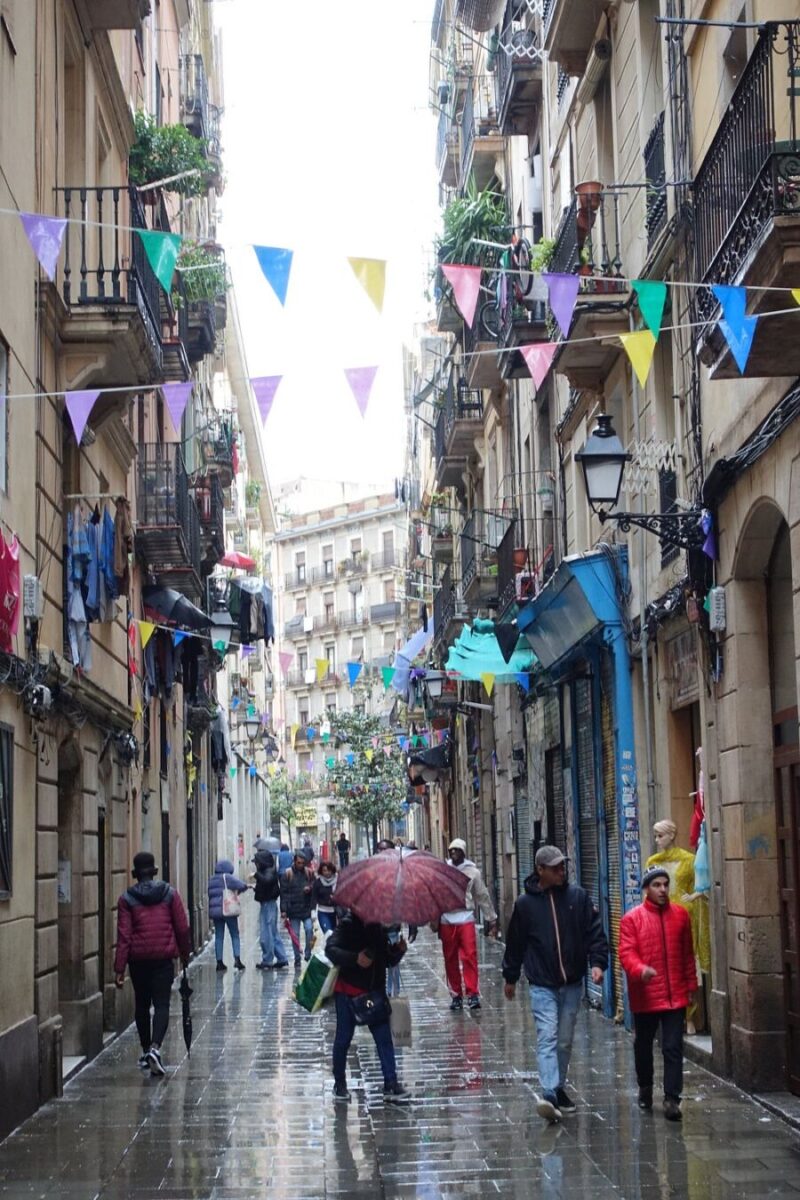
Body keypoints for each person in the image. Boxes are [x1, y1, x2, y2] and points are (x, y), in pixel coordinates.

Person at [502, 845, 609, 1122]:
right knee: (547, 1037)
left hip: (572, 983)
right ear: (541, 870)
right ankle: (549, 1093)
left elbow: (595, 932)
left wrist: (597, 963)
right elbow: (515, 942)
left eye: (563, 866)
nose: (562, 871)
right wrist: (510, 977)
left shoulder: (578, 898)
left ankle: (558, 1087)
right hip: (541, 984)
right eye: (556, 867)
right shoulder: (525, 905)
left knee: (563, 1040)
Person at [619, 866, 697, 1122]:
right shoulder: (632, 919)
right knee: (643, 1045)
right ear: (646, 889)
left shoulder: (681, 916)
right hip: (647, 996)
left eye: (665, 884)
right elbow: (626, 954)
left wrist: (691, 986)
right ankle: (645, 1086)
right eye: (657, 885)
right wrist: (640, 970)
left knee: (673, 1047)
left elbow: (687, 954)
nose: (663, 889)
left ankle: (672, 1098)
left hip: (675, 995)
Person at [114, 851, 191, 1077]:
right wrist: (184, 953)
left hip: (138, 961)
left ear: (136, 874)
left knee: (141, 1005)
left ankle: (147, 1050)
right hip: (163, 960)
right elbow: (182, 927)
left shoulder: (126, 900)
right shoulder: (170, 894)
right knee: (162, 1005)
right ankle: (155, 1049)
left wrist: (119, 967)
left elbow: (124, 936)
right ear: (154, 871)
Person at [325, 911, 410, 1104]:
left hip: (374, 994)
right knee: (343, 1039)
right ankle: (339, 1084)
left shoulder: (377, 927)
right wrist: (355, 958)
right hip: (348, 993)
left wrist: (398, 950)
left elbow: (385, 960)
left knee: (384, 1039)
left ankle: (391, 1084)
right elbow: (331, 949)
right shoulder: (347, 925)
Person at [439, 837, 498, 1012]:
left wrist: (491, 917)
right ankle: (456, 994)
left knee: (469, 956)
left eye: (457, 850)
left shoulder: (473, 872)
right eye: (451, 850)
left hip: (465, 918)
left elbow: (482, 894)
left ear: (463, 852)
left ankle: (472, 993)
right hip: (447, 919)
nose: (453, 853)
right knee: (450, 959)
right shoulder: (444, 869)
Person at [252, 842, 289, 970]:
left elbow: (267, 881)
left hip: (268, 904)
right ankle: (282, 957)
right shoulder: (268, 870)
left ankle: (267, 959)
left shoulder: (268, 871)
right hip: (268, 903)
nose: (255, 865)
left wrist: (256, 875)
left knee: (266, 933)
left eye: (256, 862)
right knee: (272, 932)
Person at [208, 859, 249, 971]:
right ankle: (237, 960)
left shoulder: (211, 879)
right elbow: (242, 885)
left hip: (216, 912)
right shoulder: (227, 878)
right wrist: (238, 891)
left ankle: (219, 962)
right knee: (234, 934)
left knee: (219, 936)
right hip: (228, 909)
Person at [281, 851, 315, 967]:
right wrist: (284, 910)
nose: (301, 865)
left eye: (303, 863)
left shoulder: (309, 873)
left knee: (309, 930)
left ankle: (308, 952)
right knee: (295, 935)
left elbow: (314, 887)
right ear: (294, 861)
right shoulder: (287, 874)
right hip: (293, 909)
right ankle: (297, 958)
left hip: (306, 909)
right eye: (299, 863)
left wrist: (310, 888)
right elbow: (283, 893)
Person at [312, 860, 338, 933]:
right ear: (321, 871)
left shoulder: (338, 881)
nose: (327, 873)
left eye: (329, 870)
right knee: (328, 933)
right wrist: (313, 911)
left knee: (335, 936)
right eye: (324, 870)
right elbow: (314, 897)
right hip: (323, 912)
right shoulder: (318, 882)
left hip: (336, 913)